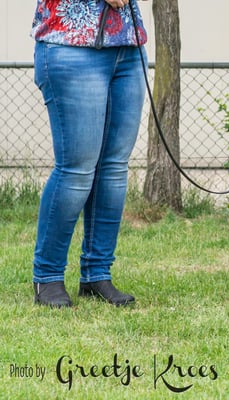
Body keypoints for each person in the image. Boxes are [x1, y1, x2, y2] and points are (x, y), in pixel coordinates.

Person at [30, 0, 147, 308]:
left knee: (113, 170)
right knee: (77, 170)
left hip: (127, 47)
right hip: (70, 45)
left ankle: (97, 275)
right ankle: (48, 276)